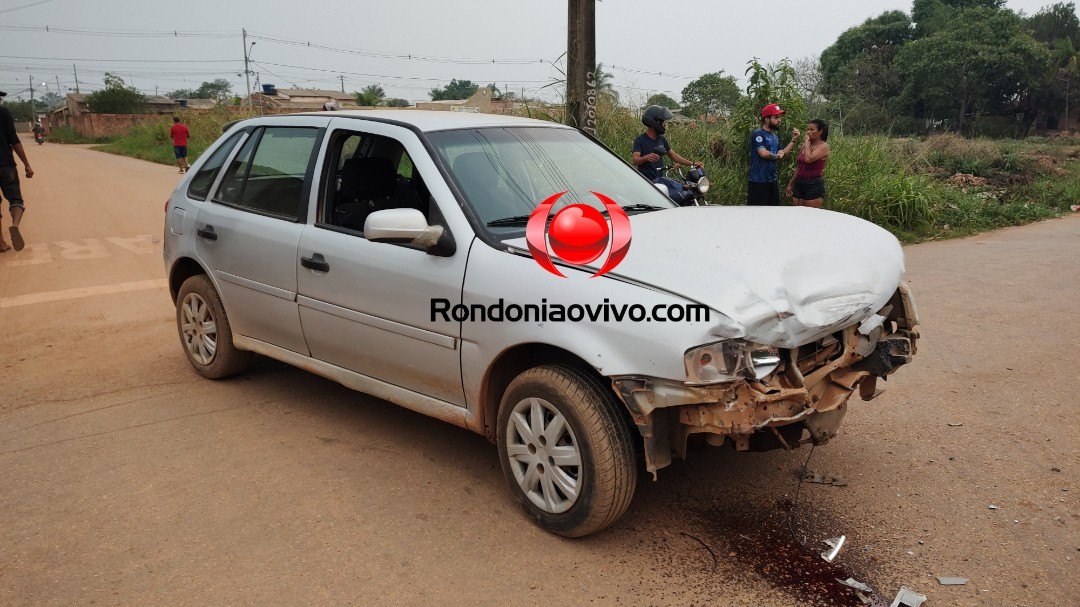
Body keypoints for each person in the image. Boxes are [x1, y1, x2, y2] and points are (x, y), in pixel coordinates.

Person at [631, 105, 703, 205]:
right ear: (656, 122)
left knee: (686, 192)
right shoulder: (640, 140)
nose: (664, 125)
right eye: (663, 122)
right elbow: (635, 160)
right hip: (648, 182)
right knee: (679, 193)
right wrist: (646, 157)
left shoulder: (661, 140)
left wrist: (693, 163)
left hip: (661, 180)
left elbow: (673, 155)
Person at [0, 91, 34, 252]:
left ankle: (1, 243)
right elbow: (14, 140)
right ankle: (14, 225)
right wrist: (26, 164)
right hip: (5, 165)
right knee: (16, 200)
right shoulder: (3, 113)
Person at [748, 103, 800, 206]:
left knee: (773, 213)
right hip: (758, 181)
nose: (779, 120)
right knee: (757, 214)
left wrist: (793, 140)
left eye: (779, 117)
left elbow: (782, 153)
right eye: (776, 117)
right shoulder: (758, 134)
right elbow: (763, 153)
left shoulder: (774, 137)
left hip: (772, 180)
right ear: (767, 119)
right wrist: (777, 156)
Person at [787, 119, 830, 208]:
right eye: (807, 129)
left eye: (812, 129)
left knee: (809, 216)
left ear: (820, 131)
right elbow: (799, 166)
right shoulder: (805, 145)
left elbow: (808, 159)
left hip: (813, 185)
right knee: (797, 214)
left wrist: (806, 141)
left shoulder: (824, 146)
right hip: (799, 184)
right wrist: (791, 184)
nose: (808, 132)